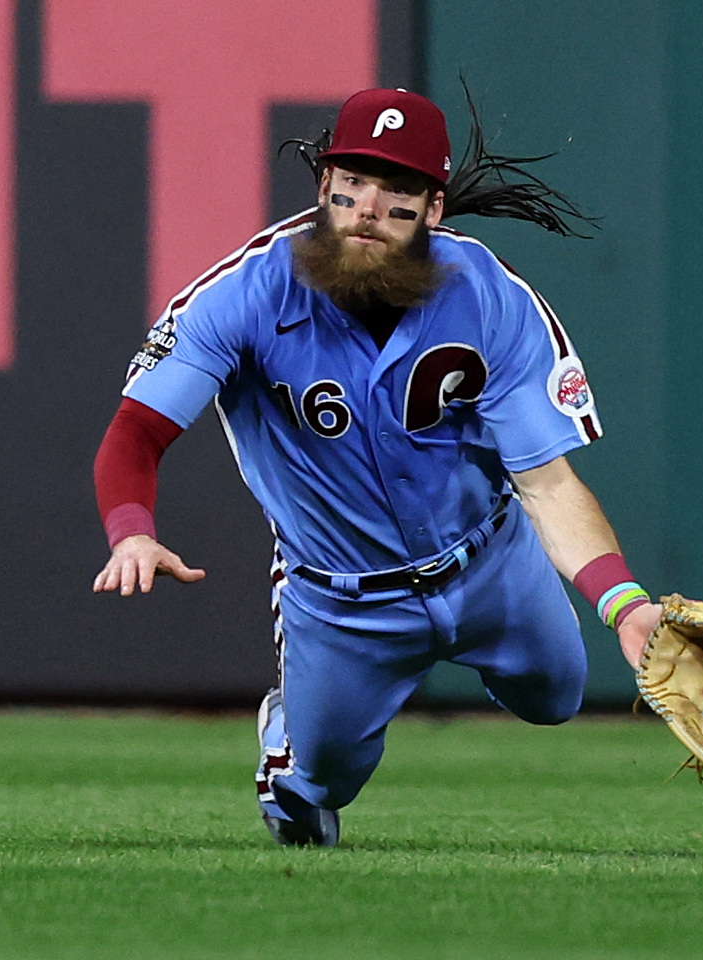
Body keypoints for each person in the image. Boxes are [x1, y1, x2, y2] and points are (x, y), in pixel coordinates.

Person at [89, 87, 662, 847]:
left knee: (556, 698)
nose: (367, 203)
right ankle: (290, 733)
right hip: (341, 598)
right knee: (317, 789)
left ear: (433, 209)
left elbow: (548, 483)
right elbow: (135, 431)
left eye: (396, 188)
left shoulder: (489, 296)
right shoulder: (246, 294)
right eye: (352, 179)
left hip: (490, 562)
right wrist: (131, 531)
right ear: (323, 184)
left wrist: (625, 605)